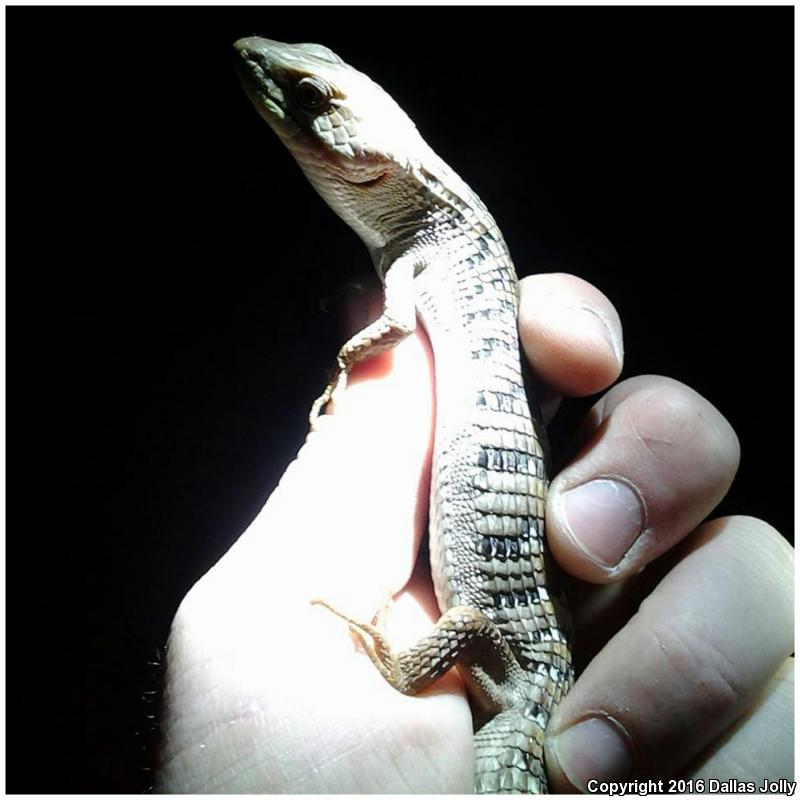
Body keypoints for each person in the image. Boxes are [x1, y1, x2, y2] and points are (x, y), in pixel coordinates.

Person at [153, 273, 793, 793]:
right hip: (525, 691)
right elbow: (470, 627)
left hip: (526, 701)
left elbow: (471, 626)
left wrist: (405, 671)